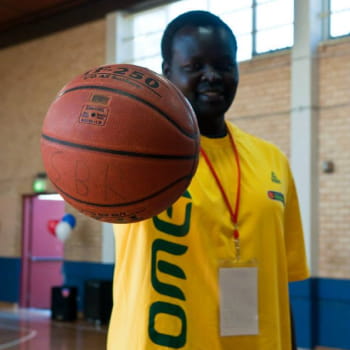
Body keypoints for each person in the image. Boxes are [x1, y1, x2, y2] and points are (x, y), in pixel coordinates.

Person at [108, 10, 309, 350]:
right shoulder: (132, 153)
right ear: (167, 73)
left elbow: (280, 283)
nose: (213, 76)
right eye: (194, 66)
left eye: (225, 65)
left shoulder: (272, 159)